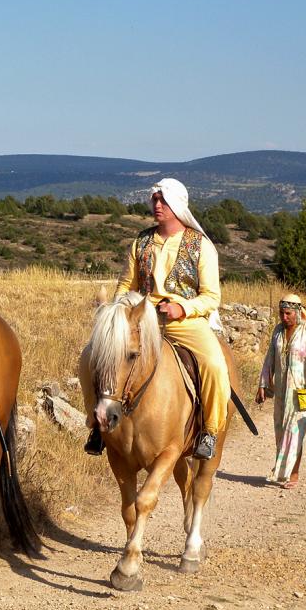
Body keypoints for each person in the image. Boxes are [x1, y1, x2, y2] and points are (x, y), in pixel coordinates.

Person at [85, 178, 229, 461]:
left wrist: (182, 308)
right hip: (140, 321)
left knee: (214, 364)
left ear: (177, 204)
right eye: (154, 200)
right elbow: (126, 285)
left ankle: (209, 431)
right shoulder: (142, 242)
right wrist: (120, 312)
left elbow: (212, 297)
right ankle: (96, 426)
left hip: (184, 322)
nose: (156, 205)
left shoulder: (201, 245)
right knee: (90, 356)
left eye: (162, 200)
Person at [256, 294, 306, 489]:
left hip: (301, 391)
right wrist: (263, 384)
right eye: (281, 313)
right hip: (281, 391)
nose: (283, 317)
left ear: (296, 313)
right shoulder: (278, 331)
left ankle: (293, 474)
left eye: (287, 313)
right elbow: (270, 358)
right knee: (281, 431)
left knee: (295, 431)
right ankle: (281, 470)